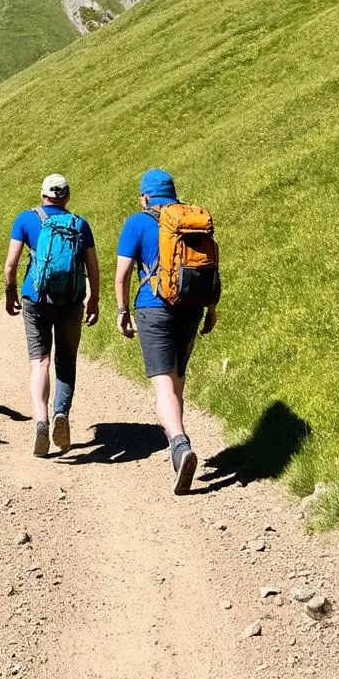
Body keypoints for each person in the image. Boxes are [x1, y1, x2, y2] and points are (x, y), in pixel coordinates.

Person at [114, 169, 220, 494]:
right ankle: (179, 451)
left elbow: (122, 275)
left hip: (153, 307)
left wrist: (122, 311)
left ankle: (179, 444)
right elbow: (211, 267)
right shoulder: (193, 219)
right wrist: (211, 309)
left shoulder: (137, 222)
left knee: (162, 387)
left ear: (145, 196)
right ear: (173, 192)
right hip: (192, 306)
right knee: (177, 384)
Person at [5, 174, 100, 457]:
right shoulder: (80, 224)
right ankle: (62, 412)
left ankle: (41, 420)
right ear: (67, 197)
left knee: (40, 361)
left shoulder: (25, 219)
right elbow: (92, 267)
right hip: (71, 301)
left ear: (43, 194)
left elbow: (10, 265)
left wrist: (10, 291)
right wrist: (93, 300)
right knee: (66, 360)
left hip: (35, 299)